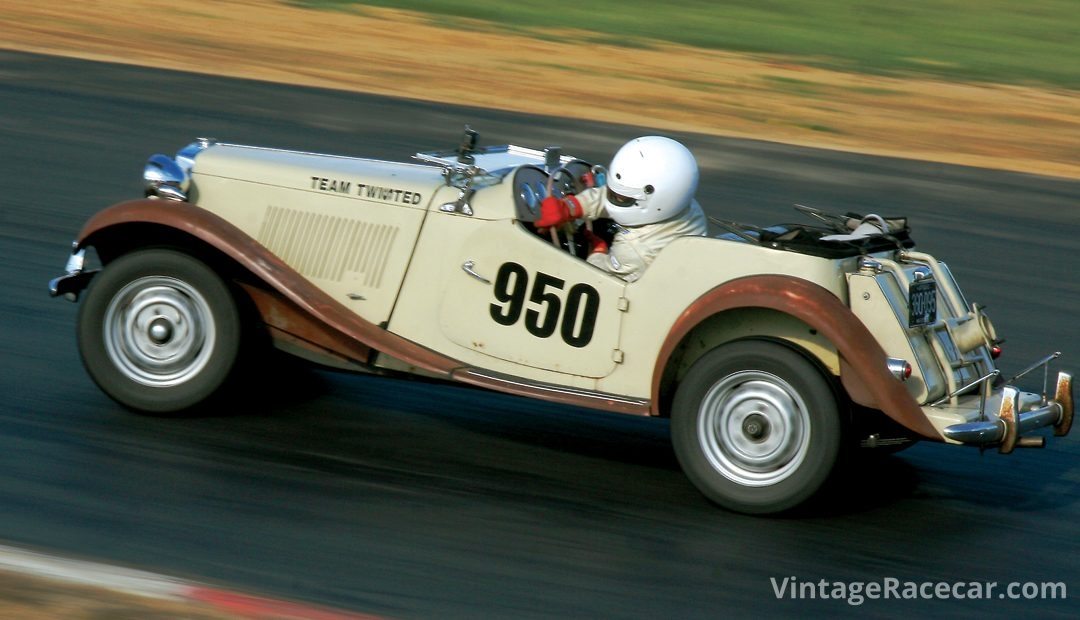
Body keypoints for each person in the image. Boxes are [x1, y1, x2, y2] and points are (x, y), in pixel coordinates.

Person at [536, 136, 708, 282]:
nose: (614, 198)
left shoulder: (634, 250)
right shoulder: (684, 205)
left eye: (621, 197)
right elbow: (617, 195)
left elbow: (600, 283)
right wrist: (572, 206)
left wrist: (598, 253)